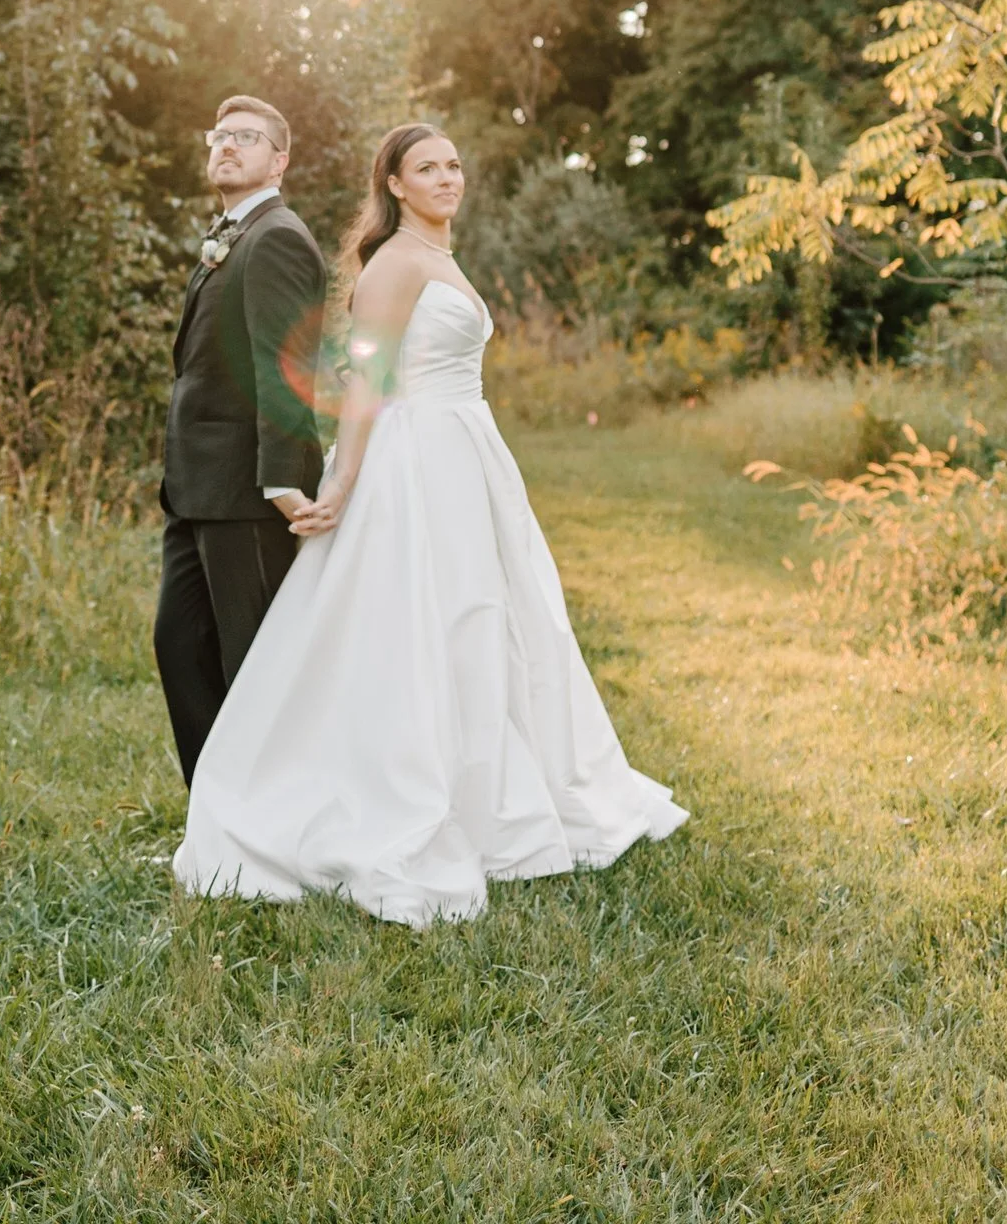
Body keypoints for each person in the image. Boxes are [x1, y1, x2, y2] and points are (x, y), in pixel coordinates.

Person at [173, 122, 686, 924]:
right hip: (414, 462)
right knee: (421, 622)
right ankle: (391, 795)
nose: (448, 177)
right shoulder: (395, 263)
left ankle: (497, 796)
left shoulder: (443, 258)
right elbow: (371, 379)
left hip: (468, 455)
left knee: (490, 619)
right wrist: (342, 476)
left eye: (454, 164)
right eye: (427, 168)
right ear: (397, 185)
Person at [154, 95, 326, 786]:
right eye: (219, 136)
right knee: (181, 646)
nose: (226, 145)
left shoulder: (277, 236)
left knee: (256, 663)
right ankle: (218, 818)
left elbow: (285, 371)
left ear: (278, 160)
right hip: (196, 490)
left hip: (250, 493)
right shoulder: (231, 234)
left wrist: (283, 486)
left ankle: (277, 819)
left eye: (246, 137)